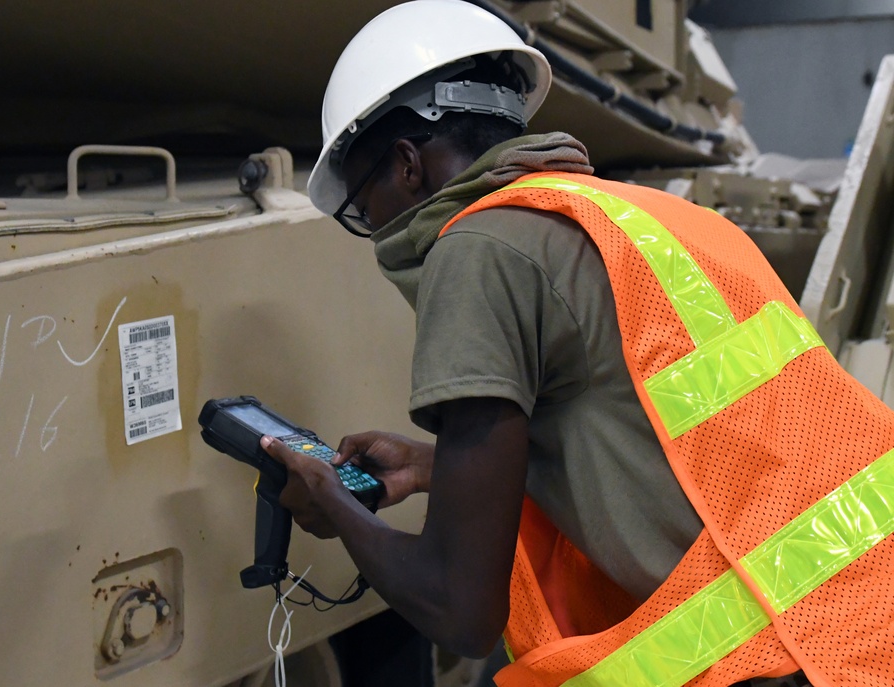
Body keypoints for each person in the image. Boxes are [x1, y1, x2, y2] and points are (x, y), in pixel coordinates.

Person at [258, 2, 894, 686]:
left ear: (408, 165)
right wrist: (430, 467)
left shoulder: (477, 250)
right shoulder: (649, 216)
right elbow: (679, 439)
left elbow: (459, 608)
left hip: (805, 658)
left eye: (361, 202)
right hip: (862, 616)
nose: (373, 225)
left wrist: (333, 499)